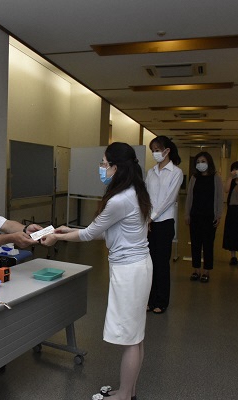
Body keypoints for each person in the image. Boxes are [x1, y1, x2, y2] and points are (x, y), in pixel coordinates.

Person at [42, 142, 152, 400]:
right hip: (137, 267)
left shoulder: (119, 199)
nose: (101, 168)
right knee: (135, 335)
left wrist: (58, 237)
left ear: (116, 167)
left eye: (104, 163)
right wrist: (69, 231)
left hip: (129, 272)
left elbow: (91, 233)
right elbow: (108, 231)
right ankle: (129, 390)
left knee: (130, 338)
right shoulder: (136, 191)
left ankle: (124, 395)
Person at [145, 136, 183, 314]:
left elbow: (169, 199)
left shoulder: (176, 172)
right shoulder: (151, 172)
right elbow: (146, 196)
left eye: (157, 150)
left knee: (161, 263)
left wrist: (152, 217)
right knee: (149, 263)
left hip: (164, 222)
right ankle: (150, 299)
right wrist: (146, 217)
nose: (155, 153)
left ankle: (161, 301)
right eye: (153, 150)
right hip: (149, 222)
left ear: (167, 151)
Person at [185, 152, 223, 283]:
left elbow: (219, 197)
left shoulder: (216, 178)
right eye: (198, 162)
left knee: (208, 244)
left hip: (209, 216)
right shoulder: (194, 178)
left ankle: (206, 271)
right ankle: (196, 270)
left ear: (209, 162)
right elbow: (189, 197)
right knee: (195, 244)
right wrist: (187, 214)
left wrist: (218, 215)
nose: (200, 164)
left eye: (203, 161)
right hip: (195, 215)